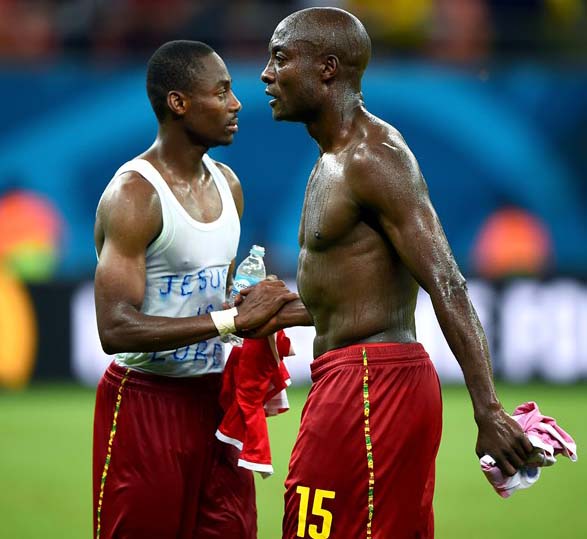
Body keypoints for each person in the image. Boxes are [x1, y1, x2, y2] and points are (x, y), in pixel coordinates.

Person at [254, 8, 535, 538]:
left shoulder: (373, 157)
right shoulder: (331, 158)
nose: (267, 74)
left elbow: (446, 280)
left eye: (280, 57)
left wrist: (488, 409)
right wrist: (278, 312)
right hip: (357, 379)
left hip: (370, 387)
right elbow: (347, 294)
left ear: (327, 68)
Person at [92, 40, 297, 539]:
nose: (237, 103)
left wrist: (253, 304)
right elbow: (114, 327)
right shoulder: (134, 196)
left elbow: (220, 301)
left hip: (216, 404)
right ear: (179, 103)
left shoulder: (229, 186)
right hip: (145, 402)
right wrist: (229, 321)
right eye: (222, 91)